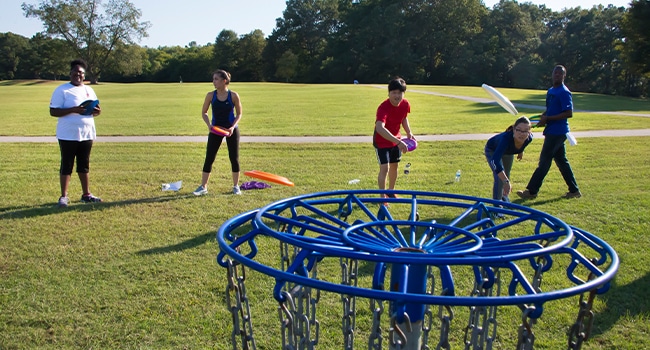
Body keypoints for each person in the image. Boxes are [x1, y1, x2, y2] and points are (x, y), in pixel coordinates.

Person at [517, 65, 581, 200]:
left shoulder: (564, 92)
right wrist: (542, 118)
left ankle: (532, 191)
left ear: (564, 76)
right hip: (551, 130)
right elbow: (550, 109)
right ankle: (574, 190)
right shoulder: (551, 91)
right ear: (552, 75)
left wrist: (548, 119)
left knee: (544, 161)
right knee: (562, 161)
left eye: (560, 74)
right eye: (555, 73)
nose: (557, 75)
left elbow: (569, 113)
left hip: (558, 132)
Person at [49, 59, 102, 208]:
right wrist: (73, 110)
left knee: (84, 164)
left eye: (81, 73)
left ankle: (86, 194)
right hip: (68, 134)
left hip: (86, 132)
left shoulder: (89, 90)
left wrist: (98, 112)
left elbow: (94, 109)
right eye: (75, 72)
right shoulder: (62, 90)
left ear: (84, 75)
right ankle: (63, 196)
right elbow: (53, 111)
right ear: (70, 73)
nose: (78, 75)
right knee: (67, 164)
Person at [193, 70, 243, 196]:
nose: (213, 81)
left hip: (231, 130)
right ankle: (203, 186)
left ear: (224, 81)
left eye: (216, 79)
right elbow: (204, 112)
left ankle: (236, 186)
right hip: (215, 130)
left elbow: (239, 113)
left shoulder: (233, 95)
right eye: (213, 79)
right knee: (209, 157)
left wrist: (232, 127)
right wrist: (209, 125)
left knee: (234, 158)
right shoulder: (210, 95)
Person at [373, 77, 415, 203]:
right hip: (382, 141)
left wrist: (408, 132)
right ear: (389, 93)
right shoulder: (383, 107)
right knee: (384, 168)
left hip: (396, 140)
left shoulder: (405, 104)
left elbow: (403, 118)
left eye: (400, 93)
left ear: (403, 93)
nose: (397, 96)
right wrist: (398, 142)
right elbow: (380, 128)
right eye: (394, 92)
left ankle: (391, 192)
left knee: (394, 166)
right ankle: (382, 197)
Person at [485, 116, 533, 203]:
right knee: (500, 178)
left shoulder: (529, 139)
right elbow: (495, 161)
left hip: (508, 151)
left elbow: (523, 144)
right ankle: (497, 206)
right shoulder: (506, 139)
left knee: (506, 173)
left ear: (529, 132)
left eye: (525, 131)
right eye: (518, 130)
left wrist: (520, 151)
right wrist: (506, 182)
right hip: (493, 149)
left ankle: (504, 197)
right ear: (514, 130)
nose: (521, 134)